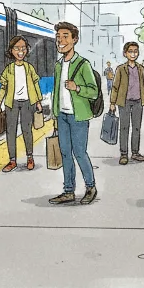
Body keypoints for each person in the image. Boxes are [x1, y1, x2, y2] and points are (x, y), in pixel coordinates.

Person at [49, 22, 98, 205]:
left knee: (79, 153)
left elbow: (94, 92)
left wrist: (77, 88)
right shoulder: (58, 65)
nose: (60, 41)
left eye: (65, 37)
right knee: (65, 153)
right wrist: (55, 114)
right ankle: (68, 191)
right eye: (58, 37)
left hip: (79, 117)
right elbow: (56, 91)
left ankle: (90, 187)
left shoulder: (83, 64)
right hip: (62, 116)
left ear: (75, 40)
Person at [0, 36, 44, 172]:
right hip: (11, 103)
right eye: (17, 48)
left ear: (27, 50)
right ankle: (12, 161)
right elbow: (3, 87)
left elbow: (36, 85)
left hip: (28, 103)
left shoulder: (29, 68)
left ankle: (30, 157)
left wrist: (38, 102)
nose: (20, 51)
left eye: (23, 48)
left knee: (27, 130)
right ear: (11, 51)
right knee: (10, 132)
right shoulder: (9, 69)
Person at [109, 42, 144, 165]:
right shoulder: (120, 69)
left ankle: (135, 153)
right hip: (124, 102)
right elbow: (115, 87)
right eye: (130, 51)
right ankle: (124, 154)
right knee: (124, 128)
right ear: (125, 53)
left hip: (138, 101)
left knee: (136, 128)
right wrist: (112, 102)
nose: (133, 54)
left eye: (135, 51)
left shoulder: (141, 69)